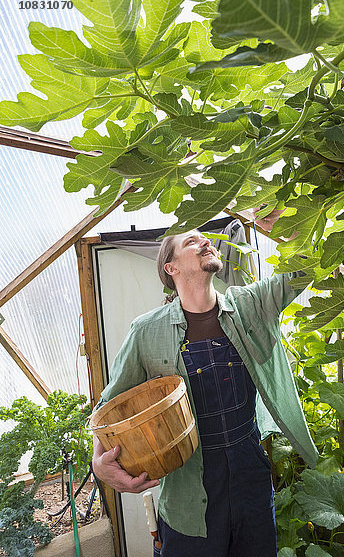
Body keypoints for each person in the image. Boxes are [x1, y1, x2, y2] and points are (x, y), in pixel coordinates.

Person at [92, 209, 318, 557]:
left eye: (205, 237)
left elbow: (305, 269)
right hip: (187, 486)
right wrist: (99, 462)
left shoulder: (249, 306)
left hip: (250, 473)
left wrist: (288, 231)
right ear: (172, 268)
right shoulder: (146, 331)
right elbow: (110, 406)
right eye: (191, 241)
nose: (205, 242)